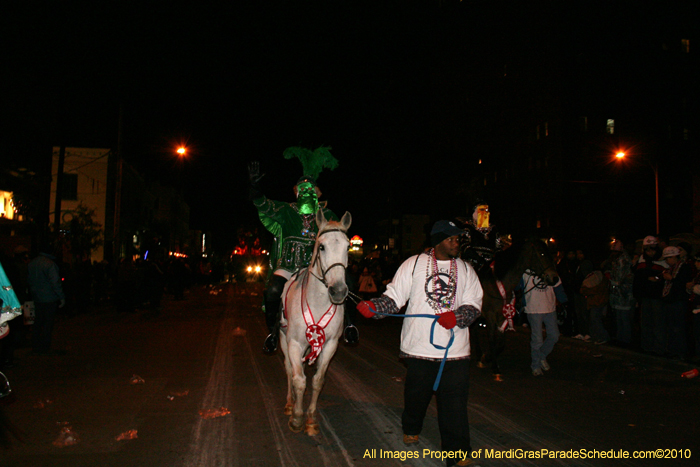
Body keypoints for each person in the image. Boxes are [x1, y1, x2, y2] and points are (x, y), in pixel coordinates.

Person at [356, 220, 483, 466]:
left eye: (458, 238)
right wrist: (374, 307)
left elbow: (474, 304)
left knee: (454, 403)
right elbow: (393, 298)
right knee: (417, 395)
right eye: (452, 238)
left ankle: (457, 453)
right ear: (438, 240)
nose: (457, 243)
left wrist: (457, 316)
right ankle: (411, 426)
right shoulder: (413, 265)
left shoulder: (466, 269)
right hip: (419, 347)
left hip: (454, 350)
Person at [249, 147, 358, 352]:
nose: (306, 192)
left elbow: (337, 236)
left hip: (317, 268)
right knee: (273, 290)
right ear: (296, 192)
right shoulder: (285, 212)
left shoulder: (327, 213)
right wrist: (255, 187)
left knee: (348, 282)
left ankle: (350, 325)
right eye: (302, 189)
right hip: (288, 266)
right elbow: (263, 205)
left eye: (310, 189)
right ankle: (272, 332)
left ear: (317, 194)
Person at [520, 268, 567, 375]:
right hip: (534, 309)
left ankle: (541, 356)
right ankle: (535, 365)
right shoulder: (526, 272)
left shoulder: (550, 270)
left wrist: (565, 302)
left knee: (554, 335)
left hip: (550, 308)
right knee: (537, 340)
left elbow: (558, 287)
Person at [27, 243, 66, 355]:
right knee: (48, 323)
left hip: (37, 297)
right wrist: (61, 297)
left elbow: (30, 280)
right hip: (49, 298)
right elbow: (55, 282)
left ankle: (36, 345)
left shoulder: (32, 263)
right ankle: (45, 346)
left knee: (38, 322)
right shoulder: (50, 264)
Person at [633, 236, 667, 355]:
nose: (649, 252)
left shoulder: (662, 260)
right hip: (645, 296)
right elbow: (637, 279)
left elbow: (666, 275)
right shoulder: (642, 260)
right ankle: (646, 346)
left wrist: (656, 278)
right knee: (646, 323)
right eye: (647, 249)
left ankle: (659, 348)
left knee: (658, 323)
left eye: (651, 249)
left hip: (657, 297)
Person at [602, 240, 635, 346]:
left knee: (624, 318)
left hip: (624, 293)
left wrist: (613, 281)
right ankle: (620, 338)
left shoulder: (624, 260)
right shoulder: (615, 260)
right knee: (619, 317)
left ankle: (625, 340)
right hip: (617, 293)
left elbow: (623, 278)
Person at [661, 246, 692, 359]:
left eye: (668, 258)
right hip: (670, 301)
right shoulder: (670, 268)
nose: (667, 261)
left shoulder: (684, 267)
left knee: (678, 327)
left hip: (679, 301)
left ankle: (680, 351)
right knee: (671, 327)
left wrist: (672, 279)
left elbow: (684, 285)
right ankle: (672, 350)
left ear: (674, 257)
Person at [457, 201, 501, 273]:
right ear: (474, 214)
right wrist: (480, 260)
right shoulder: (468, 228)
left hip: (490, 266)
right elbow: (465, 247)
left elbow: (498, 248)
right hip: (472, 265)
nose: (484, 214)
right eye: (481, 211)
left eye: (486, 211)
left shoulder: (493, 230)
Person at [580, 270, 610, 345]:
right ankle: (595, 336)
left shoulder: (597, 279)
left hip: (597, 302)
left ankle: (603, 337)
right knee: (593, 319)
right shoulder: (599, 277)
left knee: (595, 319)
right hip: (596, 301)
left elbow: (586, 290)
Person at [572, 249, 594, 341]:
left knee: (584, 313)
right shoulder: (579, 264)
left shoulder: (586, 264)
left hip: (583, 292)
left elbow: (586, 277)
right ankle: (582, 332)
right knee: (579, 313)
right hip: (578, 292)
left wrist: (584, 289)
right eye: (577, 254)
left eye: (580, 253)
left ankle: (587, 333)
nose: (578, 256)